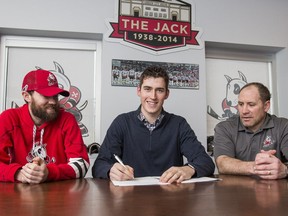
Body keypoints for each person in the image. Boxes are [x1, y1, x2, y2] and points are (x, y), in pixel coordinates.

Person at [92, 66, 215, 183]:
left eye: (159, 90)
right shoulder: (122, 122)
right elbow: (99, 165)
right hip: (130, 198)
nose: (153, 96)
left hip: (170, 197)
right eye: (148, 89)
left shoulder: (179, 124)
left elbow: (206, 162)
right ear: (139, 91)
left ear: (167, 94)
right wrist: (110, 171)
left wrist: (188, 169)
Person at [0, 69, 89, 183]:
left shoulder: (67, 120)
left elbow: (82, 164)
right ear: (27, 96)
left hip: (59, 195)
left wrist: (49, 173)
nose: (53, 101)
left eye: (56, 96)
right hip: (17, 195)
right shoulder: (9, 119)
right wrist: (19, 173)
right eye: (46, 95)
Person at [213, 82, 288, 179]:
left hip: (275, 191)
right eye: (240, 104)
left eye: (251, 105)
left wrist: (285, 170)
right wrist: (258, 167)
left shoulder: (283, 126)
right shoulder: (224, 128)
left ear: (266, 106)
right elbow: (223, 164)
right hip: (236, 192)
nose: (244, 111)